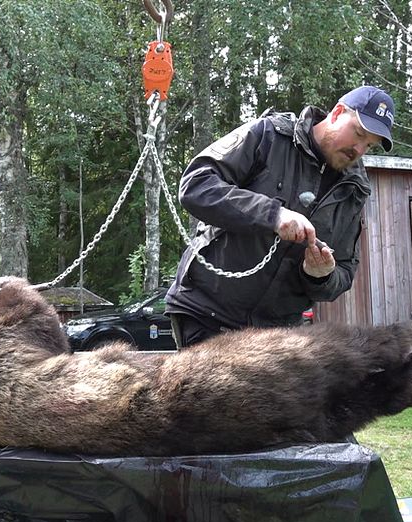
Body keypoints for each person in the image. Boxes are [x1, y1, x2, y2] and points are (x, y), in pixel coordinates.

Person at [164, 85, 395, 348]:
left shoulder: (355, 191)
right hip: (207, 313)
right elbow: (196, 185)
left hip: (277, 337)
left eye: (369, 145)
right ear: (337, 112)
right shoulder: (269, 135)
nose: (359, 149)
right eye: (358, 133)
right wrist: (273, 215)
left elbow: (343, 273)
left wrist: (320, 276)